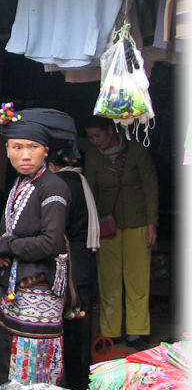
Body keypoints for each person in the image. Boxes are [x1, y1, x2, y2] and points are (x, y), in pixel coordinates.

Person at [0, 107, 78, 390]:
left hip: (39, 293)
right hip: (17, 293)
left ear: (45, 151)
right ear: (7, 150)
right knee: (8, 362)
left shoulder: (54, 187)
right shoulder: (23, 182)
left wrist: (3, 245)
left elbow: (51, 242)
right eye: (17, 147)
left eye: (33, 147)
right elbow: (16, 228)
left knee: (32, 366)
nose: (25, 155)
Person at [84, 117, 158, 352]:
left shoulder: (136, 150)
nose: (95, 141)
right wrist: (91, 227)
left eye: (98, 136)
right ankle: (111, 331)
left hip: (138, 221)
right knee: (108, 279)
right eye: (91, 137)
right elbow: (90, 192)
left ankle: (136, 331)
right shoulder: (93, 156)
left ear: (110, 130)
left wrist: (152, 223)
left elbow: (151, 187)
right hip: (107, 226)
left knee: (137, 279)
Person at [47, 147, 100, 390]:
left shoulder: (61, 185)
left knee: (71, 330)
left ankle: (74, 384)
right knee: (83, 328)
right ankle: (83, 381)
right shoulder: (81, 181)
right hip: (85, 262)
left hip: (72, 267)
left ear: (52, 165)